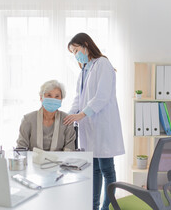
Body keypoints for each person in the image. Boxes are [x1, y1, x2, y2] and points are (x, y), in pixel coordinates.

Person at [63, 33, 125, 210]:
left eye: (76, 50)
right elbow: (78, 98)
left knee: (107, 169)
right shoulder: (85, 69)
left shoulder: (102, 64)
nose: (75, 55)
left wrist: (81, 114)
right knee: (95, 170)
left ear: (85, 45)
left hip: (103, 126)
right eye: (73, 52)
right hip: (90, 128)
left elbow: (102, 97)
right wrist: (69, 115)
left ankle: (107, 207)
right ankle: (94, 206)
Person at [16, 80, 76, 151]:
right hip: (33, 161)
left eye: (57, 96)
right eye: (49, 95)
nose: (53, 99)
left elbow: (69, 150)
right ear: (41, 97)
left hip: (59, 161)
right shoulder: (28, 120)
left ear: (61, 100)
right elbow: (21, 149)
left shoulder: (67, 120)